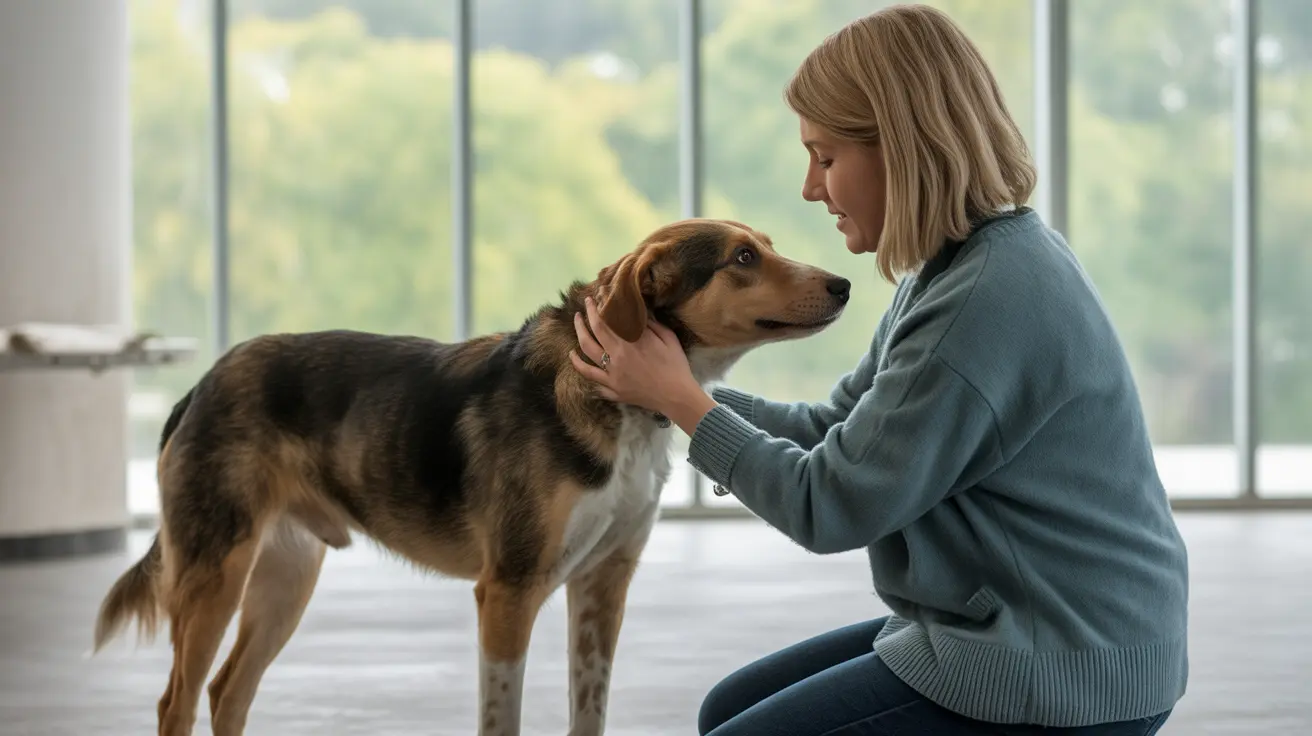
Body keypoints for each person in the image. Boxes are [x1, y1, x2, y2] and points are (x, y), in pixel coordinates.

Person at [570, 3, 1188, 735]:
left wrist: (683, 404)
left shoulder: (982, 304)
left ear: (901, 147)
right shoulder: (961, 265)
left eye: (826, 158)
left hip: (1057, 664)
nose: (811, 187)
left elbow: (831, 504)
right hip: (1040, 628)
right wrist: (672, 389)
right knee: (725, 710)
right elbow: (839, 427)